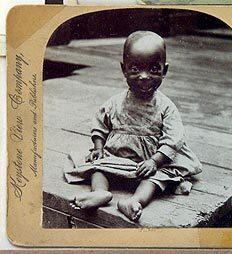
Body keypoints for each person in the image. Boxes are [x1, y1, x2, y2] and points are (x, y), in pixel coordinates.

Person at [66, 31, 202, 221]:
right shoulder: (115, 102)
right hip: (118, 157)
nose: (144, 77)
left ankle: (133, 201)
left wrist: (155, 161)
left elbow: (173, 139)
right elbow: (101, 123)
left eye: (154, 69)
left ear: (165, 70)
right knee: (99, 167)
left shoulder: (166, 107)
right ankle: (99, 192)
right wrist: (98, 147)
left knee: (156, 180)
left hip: (152, 162)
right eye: (135, 69)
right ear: (124, 69)